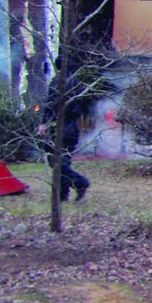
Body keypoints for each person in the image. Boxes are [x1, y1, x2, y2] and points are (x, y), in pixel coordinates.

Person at [39, 57, 90, 202]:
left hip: (61, 126)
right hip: (74, 127)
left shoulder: (57, 82)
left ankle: (80, 183)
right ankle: (62, 195)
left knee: (56, 162)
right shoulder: (77, 82)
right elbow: (85, 104)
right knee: (64, 161)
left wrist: (44, 123)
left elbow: (51, 104)